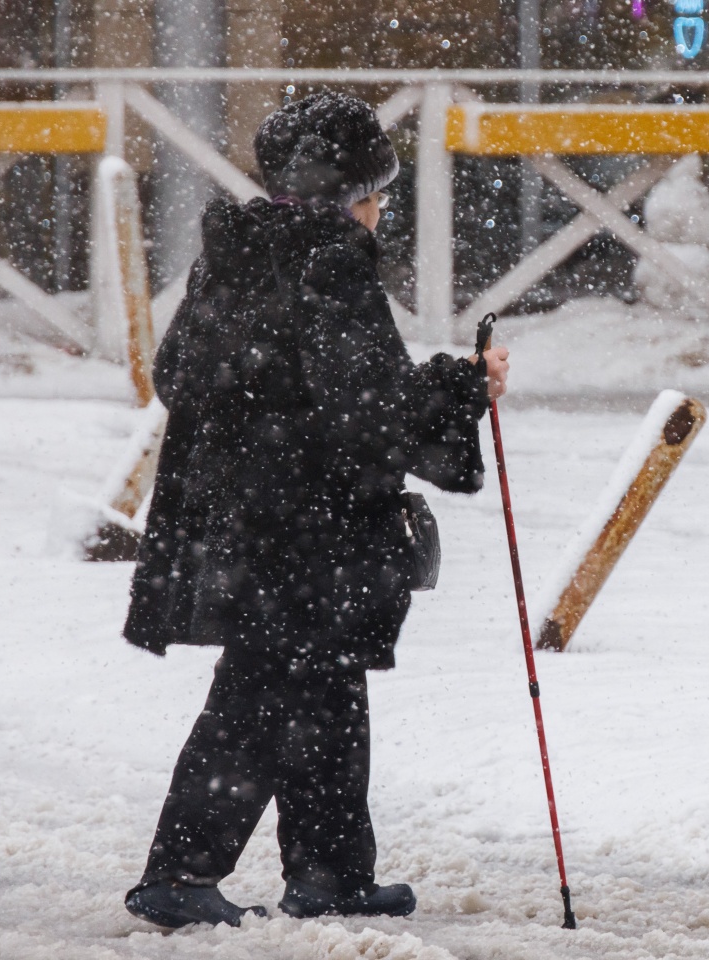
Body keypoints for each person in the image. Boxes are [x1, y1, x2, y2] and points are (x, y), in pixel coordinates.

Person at [118, 92, 508, 929]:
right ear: (351, 194)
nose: (379, 211)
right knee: (265, 696)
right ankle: (180, 875)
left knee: (322, 690)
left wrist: (263, 410)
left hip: (242, 519)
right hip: (305, 528)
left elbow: (177, 375)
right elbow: (369, 412)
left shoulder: (236, 253)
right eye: (377, 193)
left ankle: (331, 874)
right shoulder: (331, 260)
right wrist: (464, 385)